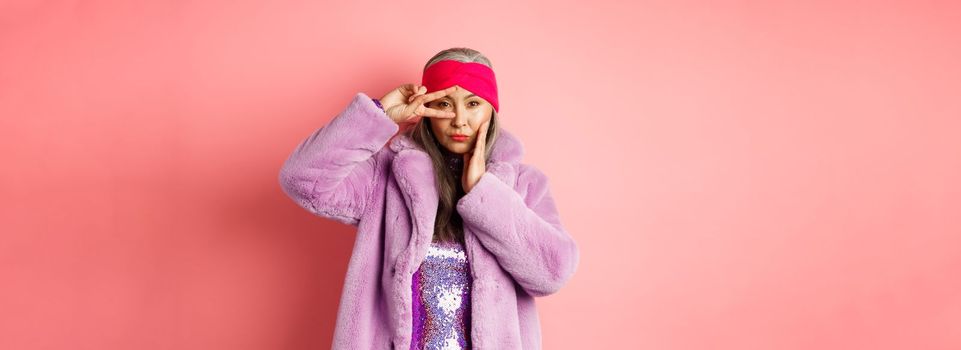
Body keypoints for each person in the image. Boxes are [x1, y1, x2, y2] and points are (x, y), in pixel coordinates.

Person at [278, 47, 579, 350]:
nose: (459, 120)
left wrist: (483, 192)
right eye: (445, 104)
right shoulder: (385, 176)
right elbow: (302, 180)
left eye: (473, 104)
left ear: (491, 110)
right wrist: (379, 114)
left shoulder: (524, 185)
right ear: (427, 108)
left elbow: (552, 273)